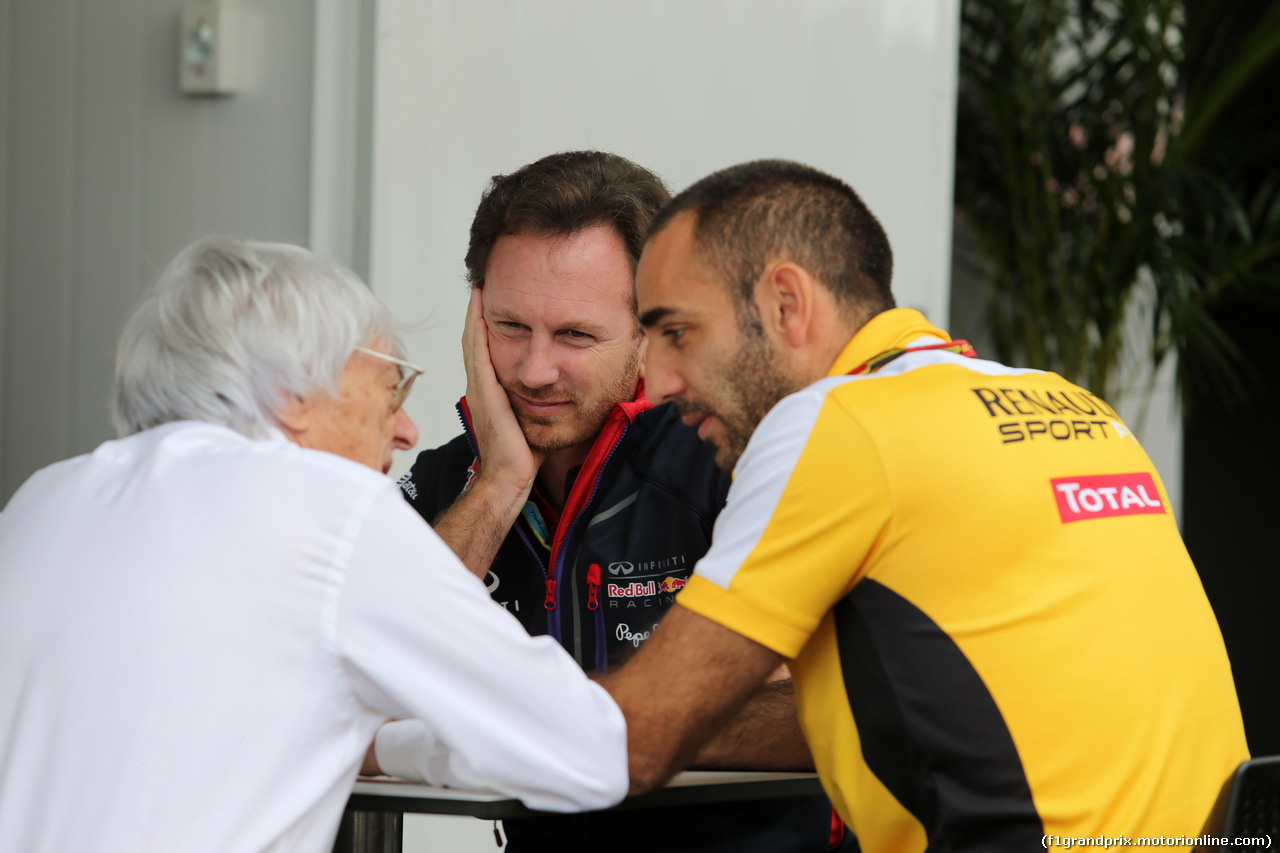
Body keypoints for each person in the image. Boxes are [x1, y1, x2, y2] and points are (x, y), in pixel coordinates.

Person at [598, 159, 1250, 850]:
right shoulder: (1073, 404)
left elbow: (641, 737)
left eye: (677, 332)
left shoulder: (834, 422)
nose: (658, 381)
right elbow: (919, 725)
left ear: (786, 303)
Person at [0, 237, 628, 853]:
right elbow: (587, 750)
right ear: (295, 394)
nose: (407, 431)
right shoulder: (328, 508)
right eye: (392, 390)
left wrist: (374, 739)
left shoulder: (43, 500)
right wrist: (407, 743)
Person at [398, 151, 847, 851]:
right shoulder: (450, 482)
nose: (533, 369)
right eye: (510, 326)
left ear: (648, 332)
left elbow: (826, 715)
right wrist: (500, 485)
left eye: (576, 335)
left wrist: (576, 723)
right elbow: (365, 682)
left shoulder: (737, 457)